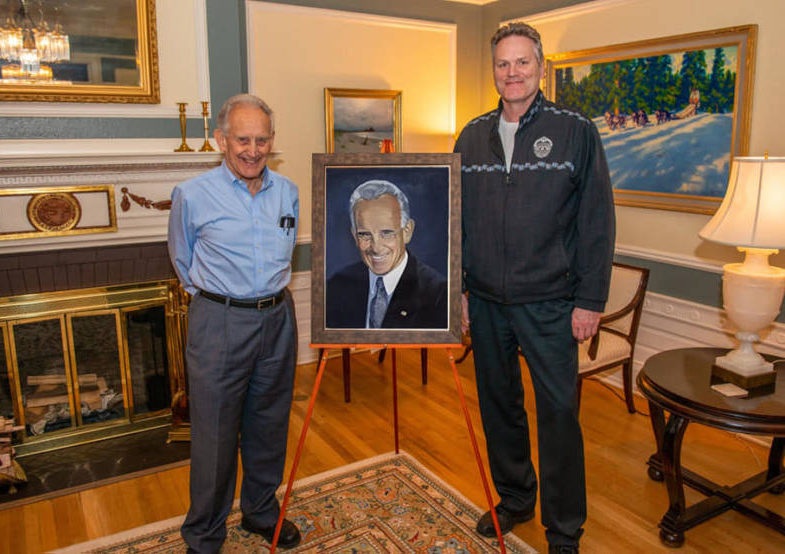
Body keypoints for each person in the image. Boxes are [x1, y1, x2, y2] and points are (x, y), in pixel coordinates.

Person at [453, 23, 615, 554]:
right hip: (489, 303)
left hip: (551, 304)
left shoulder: (575, 130)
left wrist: (590, 301)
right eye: (503, 64)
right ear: (494, 71)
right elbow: (456, 221)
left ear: (541, 67)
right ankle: (516, 499)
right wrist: (460, 292)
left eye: (523, 62)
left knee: (559, 418)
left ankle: (564, 530)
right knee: (500, 410)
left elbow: (596, 221)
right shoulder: (471, 134)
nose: (512, 73)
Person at [168, 93, 301, 553]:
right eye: (242, 139)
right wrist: (223, 301)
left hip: (278, 320)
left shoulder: (287, 191)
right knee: (215, 435)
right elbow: (183, 263)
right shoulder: (192, 194)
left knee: (269, 425)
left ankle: (262, 512)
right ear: (220, 139)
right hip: (219, 321)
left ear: (271, 142)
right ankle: (204, 535)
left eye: (261, 139)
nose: (252, 149)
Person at [325, 179, 448, 329]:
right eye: (364, 234)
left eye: (386, 233)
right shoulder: (336, 287)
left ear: (407, 232)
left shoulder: (439, 294)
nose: (376, 247)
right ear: (354, 236)